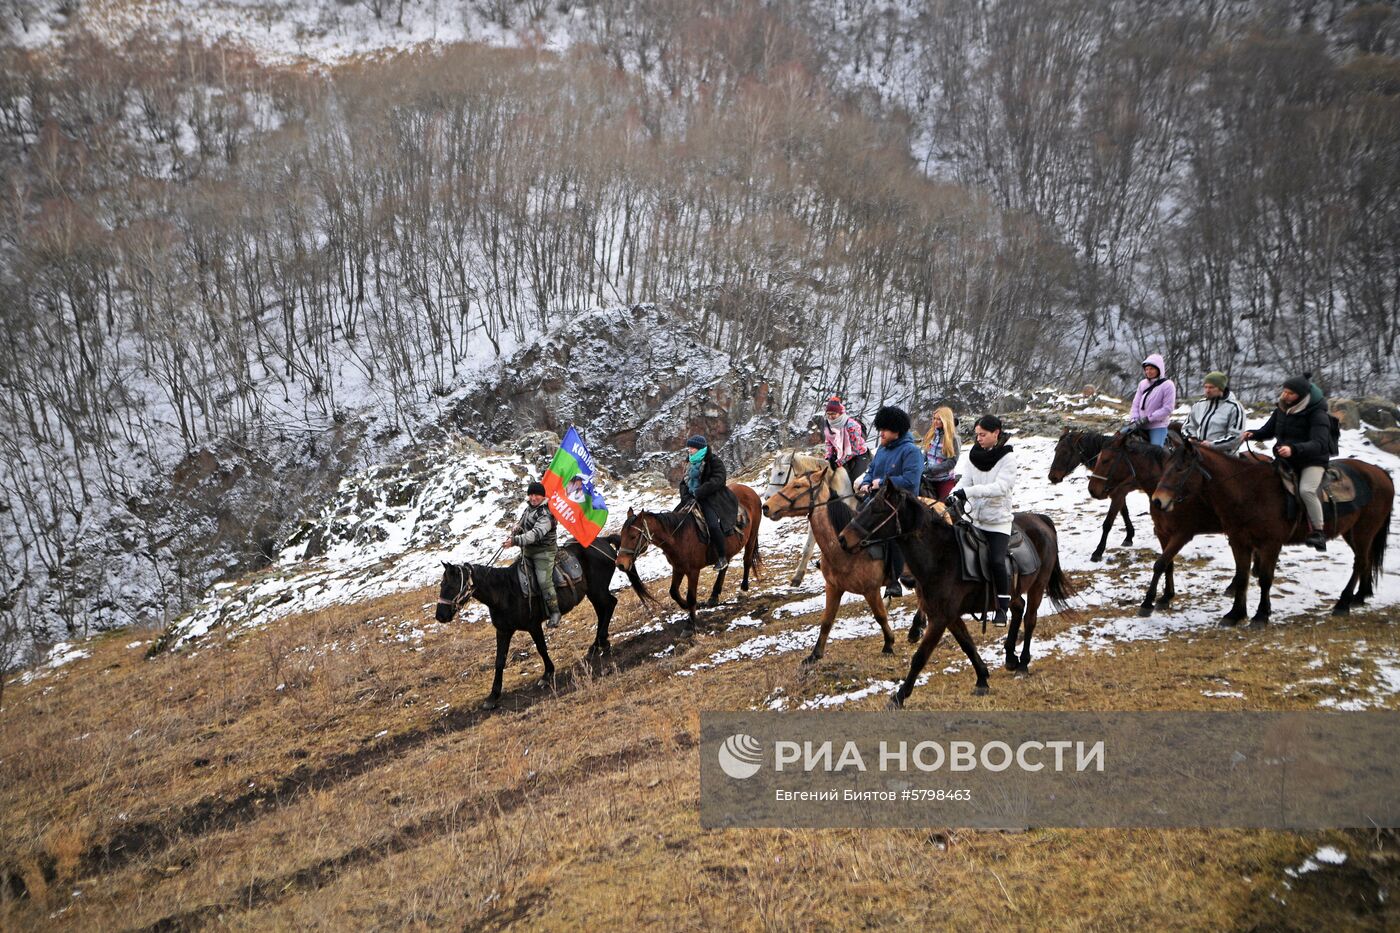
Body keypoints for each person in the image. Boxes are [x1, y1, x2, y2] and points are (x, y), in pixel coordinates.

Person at [1242, 375, 1333, 551]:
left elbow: (1320, 443)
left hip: (1312, 461)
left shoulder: (1318, 414)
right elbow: (1267, 431)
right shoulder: (1282, 409)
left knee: (1306, 490)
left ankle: (1318, 531)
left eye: (1290, 393)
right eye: (1284, 391)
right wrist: (1253, 434)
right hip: (1284, 460)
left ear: (1301, 395)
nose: (1285, 396)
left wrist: (1294, 449)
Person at [947, 414, 1018, 626]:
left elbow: (1000, 488)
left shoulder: (1008, 458)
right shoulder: (973, 456)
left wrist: (968, 492)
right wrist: (953, 494)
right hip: (975, 520)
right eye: (977, 434)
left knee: (996, 560)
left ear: (996, 433)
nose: (978, 438)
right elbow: (965, 481)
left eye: (983, 434)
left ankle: (1002, 608)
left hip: (998, 522)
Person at [857, 405, 923, 598]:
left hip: (902, 504)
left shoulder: (911, 452)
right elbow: (871, 471)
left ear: (896, 430)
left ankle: (894, 580)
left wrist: (884, 482)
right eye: (880, 429)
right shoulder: (882, 450)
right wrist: (867, 483)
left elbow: (911, 481)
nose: (881, 433)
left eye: (884, 429)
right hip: (878, 500)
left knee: (892, 533)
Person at [504, 481, 561, 628]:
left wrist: (515, 541)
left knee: (544, 581)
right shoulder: (529, 509)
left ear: (543, 496)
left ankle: (554, 612)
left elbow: (535, 535)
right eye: (531, 494)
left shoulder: (546, 514)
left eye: (536, 495)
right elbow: (523, 523)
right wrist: (517, 528)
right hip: (528, 551)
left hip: (544, 552)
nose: (533, 497)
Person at [679, 434, 738, 570]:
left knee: (712, 525)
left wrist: (700, 491)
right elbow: (683, 482)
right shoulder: (689, 462)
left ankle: (722, 557)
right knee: (675, 518)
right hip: (691, 498)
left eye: (692, 447)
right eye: (689, 447)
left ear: (700, 449)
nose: (689, 450)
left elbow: (718, 479)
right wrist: (686, 496)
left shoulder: (714, 461)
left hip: (711, 498)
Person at [1182, 371, 1247, 453]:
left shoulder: (1234, 407)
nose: (1207, 390)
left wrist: (1212, 445)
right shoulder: (1199, 405)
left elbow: (1236, 437)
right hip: (1200, 453)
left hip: (1224, 456)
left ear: (1221, 388)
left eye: (1211, 387)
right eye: (1205, 387)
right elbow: (1187, 427)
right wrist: (1192, 438)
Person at [1126, 353, 1176, 446]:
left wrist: (1148, 419)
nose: (1148, 371)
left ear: (1159, 369)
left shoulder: (1168, 385)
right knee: (1117, 439)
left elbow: (1168, 408)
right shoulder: (1142, 384)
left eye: (1151, 369)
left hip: (1157, 426)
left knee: (1155, 452)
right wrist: (1134, 419)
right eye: (1146, 369)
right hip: (1138, 424)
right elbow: (1135, 404)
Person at [822, 396, 871, 486]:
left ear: (840, 413)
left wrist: (840, 462)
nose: (830, 416)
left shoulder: (852, 425)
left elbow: (854, 449)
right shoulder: (828, 424)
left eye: (833, 413)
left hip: (858, 454)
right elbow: (828, 443)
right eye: (828, 414)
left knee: (854, 482)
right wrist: (828, 458)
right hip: (839, 454)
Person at [920, 405, 961, 500]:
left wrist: (930, 469)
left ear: (946, 420)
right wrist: (918, 465)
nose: (935, 421)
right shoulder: (930, 435)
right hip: (928, 479)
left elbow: (951, 462)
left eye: (939, 419)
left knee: (940, 509)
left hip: (944, 480)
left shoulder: (954, 438)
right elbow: (924, 455)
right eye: (934, 418)